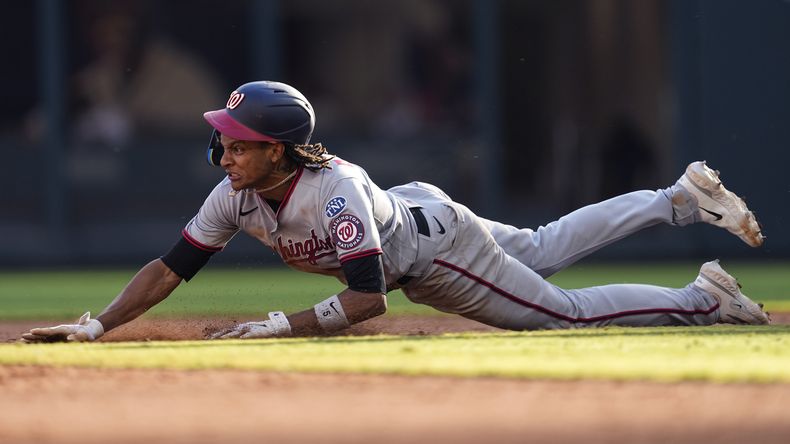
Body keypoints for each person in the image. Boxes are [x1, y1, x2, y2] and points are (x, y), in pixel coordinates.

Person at [21, 80, 769, 343]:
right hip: (414, 209)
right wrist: (96, 324)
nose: (225, 154)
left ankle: (702, 298)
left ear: (280, 152)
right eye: (224, 141)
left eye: (240, 144)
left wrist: (282, 326)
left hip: (432, 252)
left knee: (562, 312)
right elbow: (171, 267)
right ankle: (676, 200)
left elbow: (370, 299)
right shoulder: (236, 193)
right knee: (541, 246)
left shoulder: (328, 192)